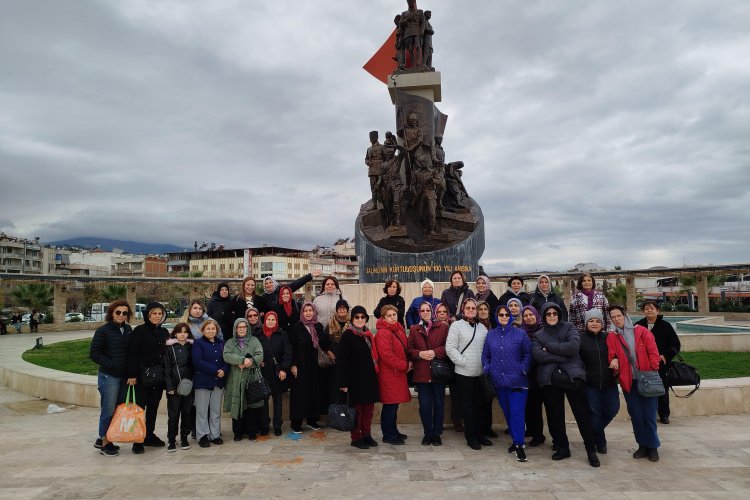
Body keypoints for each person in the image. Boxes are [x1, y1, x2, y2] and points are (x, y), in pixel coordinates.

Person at [532, 302, 600, 467]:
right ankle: (563, 447)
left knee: (582, 415)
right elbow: (539, 356)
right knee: (555, 416)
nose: (552, 316)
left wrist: (549, 347)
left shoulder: (569, 327)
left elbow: (573, 348)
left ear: (559, 314)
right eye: (549, 314)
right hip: (550, 378)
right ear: (544, 315)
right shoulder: (538, 334)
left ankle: (590, 449)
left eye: (555, 313)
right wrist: (563, 356)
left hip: (573, 375)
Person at [607, 305, 662, 462]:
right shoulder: (612, 337)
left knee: (649, 415)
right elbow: (611, 354)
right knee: (636, 415)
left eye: (619, 315)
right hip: (629, 381)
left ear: (625, 315)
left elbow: (653, 352)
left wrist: (652, 369)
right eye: (613, 317)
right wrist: (614, 359)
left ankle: (653, 446)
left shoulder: (641, 331)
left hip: (647, 379)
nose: (617, 319)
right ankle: (642, 445)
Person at [482, 305, 533, 462]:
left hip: (517, 380)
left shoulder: (520, 334)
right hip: (499, 381)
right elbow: (485, 355)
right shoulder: (491, 335)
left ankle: (519, 445)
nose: (504, 316)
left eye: (506, 314)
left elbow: (528, 353)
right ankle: (516, 439)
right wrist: (487, 368)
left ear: (511, 316)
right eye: (501, 314)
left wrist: (523, 368)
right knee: (508, 413)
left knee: (517, 412)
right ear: (497, 317)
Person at [89, 300, 132, 456]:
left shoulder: (127, 329)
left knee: (116, 409)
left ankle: (103, 437)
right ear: (112, 313)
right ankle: (106, 443)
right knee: (108, 409)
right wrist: (112, 364)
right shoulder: (103, 331)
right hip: (109, 376)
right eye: (118, 312)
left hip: (122, 377)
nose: (121, 315)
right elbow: (94, 353)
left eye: (125, 313)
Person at [446, 298, 490, 450]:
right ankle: (471, 437)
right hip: (464, 373)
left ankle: (480, 434)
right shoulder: (456, 326)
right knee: (468, 407)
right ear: (463, 309)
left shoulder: (482, 328)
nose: (471, 310)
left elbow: (487, 349)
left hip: (479, 373)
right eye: (468, 308)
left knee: (480, 406)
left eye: (474, 308)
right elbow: (450, 348)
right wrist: (462, 361)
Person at [126, 302, 169, 454]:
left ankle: (149, 435)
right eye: (154, 314)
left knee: (153, 408)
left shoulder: (164, 332)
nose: (157, 316)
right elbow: (132, 354)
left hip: (157, 378)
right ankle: (137, 440)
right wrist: (132, 375)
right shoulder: (139, 331)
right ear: (148, 315)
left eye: (159, 314)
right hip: (142, 377)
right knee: (140, 409)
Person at [337, 305, 380, 449]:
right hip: (355, 380)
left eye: (363, 317)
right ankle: (356, 437)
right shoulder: (348, 335)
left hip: (369, 379)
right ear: (352, 318)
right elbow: (342, 361)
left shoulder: (367, 334)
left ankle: (366, 434)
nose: (360, 319)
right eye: (357, 317)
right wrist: (343, 382)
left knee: (368, 410)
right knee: (357, 411)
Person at [408, 301, 450, 446]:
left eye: (427, 310)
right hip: (422, 374)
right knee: (425, 405)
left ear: (432, 311)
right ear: (419, 313)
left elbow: (447, 346)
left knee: (439, 404)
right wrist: (420, 354)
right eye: (422, 310)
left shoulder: (443, 326)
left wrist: (434, 352)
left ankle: (437, 433)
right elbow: (410, 350)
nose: (425, 312)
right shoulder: (414, 329)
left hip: (438, 373)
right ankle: (428, 433)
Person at [288, 302, 333, 433]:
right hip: (300, 366)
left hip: (314, 366)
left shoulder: (318, 326)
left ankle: (312, 420)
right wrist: (293, 364)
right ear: (302, 313)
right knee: (299, 394)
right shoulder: (296, 327)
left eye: (310, 310)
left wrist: (329, 351)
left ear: (314, 312)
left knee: (314, 392)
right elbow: (292, 347)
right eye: (305, 311)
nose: (308, 313)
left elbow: (324, 342)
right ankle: (296, 423)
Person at [579, 309, 619, 454]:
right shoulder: (580, 338)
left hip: (609, 383)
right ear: (586, 323)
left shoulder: (609, 337)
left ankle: (592, 432)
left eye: (597, 321)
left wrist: (616, 358)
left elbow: (618, 352)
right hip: (590, 384)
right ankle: (600, 442)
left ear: (602, 323)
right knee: (595, 413)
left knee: (612, 409)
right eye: (591, 321)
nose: (594, 323)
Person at [635, 300, 681, 424]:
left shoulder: (665, 326)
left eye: (652, 308)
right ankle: (647, 414)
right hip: (643, 364)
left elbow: (676, 344)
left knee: (662, 389)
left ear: (657, 310)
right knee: (644, 388)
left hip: (660, 364)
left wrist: (665, 355)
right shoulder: (638, 325)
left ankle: (664, 414)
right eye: (646, 308)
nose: (649, 310)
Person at [375, 304, 412, 445]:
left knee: (394, 405)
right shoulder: (383, 333)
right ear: (383, 318)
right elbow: (387, 356)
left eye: (394, 315)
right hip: (389, 375)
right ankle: (388, 435)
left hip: (397, 374)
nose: (392, 318)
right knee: (390, 406)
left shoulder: (398, 329)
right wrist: (405, 365)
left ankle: (393, 431)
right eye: (389, 316)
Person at [223, 318, 265, 441]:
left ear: (247, 328)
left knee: (251, 405)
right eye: (239, 327)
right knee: (237, 404)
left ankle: (251, 431)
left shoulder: (254, 341)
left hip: (251, 377)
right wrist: (241, 360)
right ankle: (238, 432)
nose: (242, 329)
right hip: (236, 378)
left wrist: (249, 362)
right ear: (235, 329)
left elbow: (260, 355)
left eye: (244, 327)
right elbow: (226, 355)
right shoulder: (230, 342)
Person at [253, 311, 292, 436]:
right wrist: (258, 362)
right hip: (263, 372)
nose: (270, 321)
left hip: (277, 372)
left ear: (276, 321)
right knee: (264, 401)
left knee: (278, 400)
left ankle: (277, 425)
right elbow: (254, 351)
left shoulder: (282, 334)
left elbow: (287, 352)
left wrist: (284, 369)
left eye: (273, 319)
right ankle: (265, 425)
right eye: (268, 319)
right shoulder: (259, 334)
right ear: (265, 321)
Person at [192, 319, 227, 448]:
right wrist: (215, 370)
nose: (211, 331)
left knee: (215, 410)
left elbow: (227, 360)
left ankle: (215, 435)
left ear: (216, 330)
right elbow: (198, 361)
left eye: (213, 329)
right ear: (203, 330)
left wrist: (224, 370)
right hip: (203, 382)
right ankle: (202, 436)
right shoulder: (198, 343)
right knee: (202, 410)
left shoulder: (221, 343)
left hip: (218, 382)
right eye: (208, 328)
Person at [163, 323, 194, 453]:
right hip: (174, 388)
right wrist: (169, 387)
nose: (183, 334)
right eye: (180, 332)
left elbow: (193, 366)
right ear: (175, 333)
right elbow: (167, 369)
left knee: (187, 413)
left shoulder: (191, 347)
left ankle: (184, 437)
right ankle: (171, 439)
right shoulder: (170, 348)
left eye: (185, 332)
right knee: (174, 414)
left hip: (187, 387)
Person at [520, 305, 546, 447]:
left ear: (536, 315)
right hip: (526, 373)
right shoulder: (521, 332)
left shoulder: (543, 330)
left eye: (531, 314)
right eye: (525, 315)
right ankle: (530, 430)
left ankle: (538, 435)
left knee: (536, 406)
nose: (529, 317)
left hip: (540, 373)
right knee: (529, 405)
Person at [323, 299, 350, 410]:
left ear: (347, 310)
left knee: (347, 387)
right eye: (340, 308)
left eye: (344, 308)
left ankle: (347, 413)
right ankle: (335, 414)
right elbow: (324, 341)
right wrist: (328, 351)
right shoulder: (330, 323)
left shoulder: (352, 322)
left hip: (348, 361)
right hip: (335, 361)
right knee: (335, 388)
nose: (342, 310)